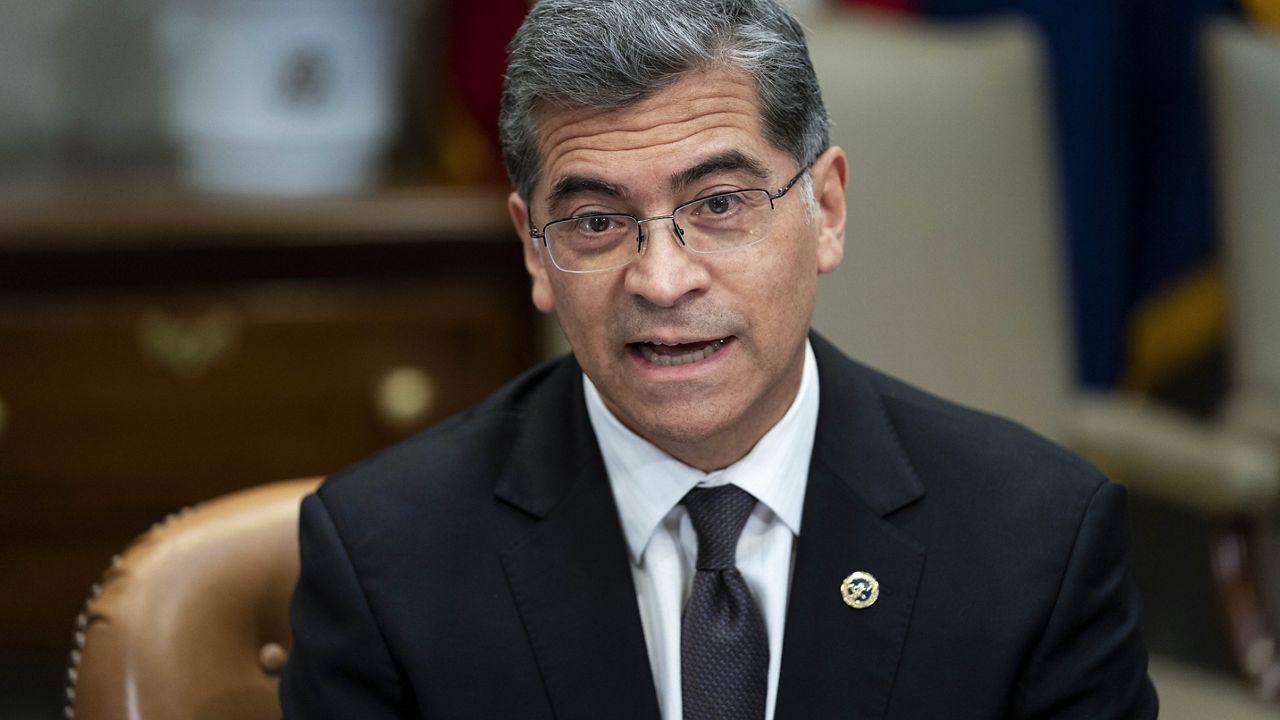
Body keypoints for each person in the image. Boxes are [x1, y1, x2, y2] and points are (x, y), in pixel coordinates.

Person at [280, 0, 1158, 717]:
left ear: (827, 208)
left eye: (721, 204)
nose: (662, 280)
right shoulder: (385, 561)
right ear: (533, 252)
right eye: (595, 222)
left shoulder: (1036, 540)